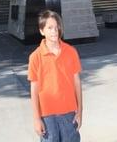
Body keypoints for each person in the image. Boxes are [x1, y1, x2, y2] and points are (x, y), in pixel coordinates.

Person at [28, 10, 82, 141]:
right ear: (42, 31)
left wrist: (80, 111)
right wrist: (36, 119)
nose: (54, 31)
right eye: (50, 27)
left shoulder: (71, 52)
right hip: (47, 117)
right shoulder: (35, 57)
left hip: (69, 113)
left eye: (57, 27)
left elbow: (77, 84)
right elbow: (34, 91)